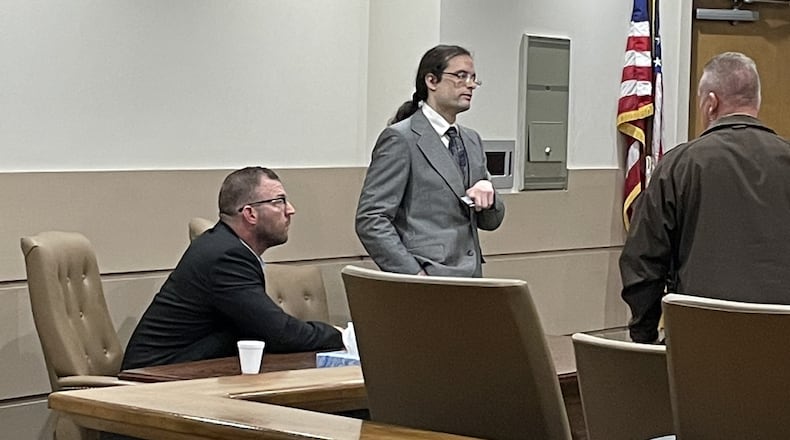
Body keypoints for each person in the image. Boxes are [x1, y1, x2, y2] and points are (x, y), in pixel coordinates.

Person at [620, 52, 790, 343]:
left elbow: (643, 263)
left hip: (700, 342)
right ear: (756, 101)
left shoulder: (678, 166)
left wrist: (645, 337)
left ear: (711, 103)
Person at [122, 167, 343, 369]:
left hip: (190, 372)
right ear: (250, 214)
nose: (290, 210)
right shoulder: (226, 257)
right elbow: (279, 333)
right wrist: (342, 336)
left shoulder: (226, 246)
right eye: (279, 201)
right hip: (156, 380)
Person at [355, 44, 505, 277]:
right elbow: (371, 219)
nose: (470, 85)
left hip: (470, 277)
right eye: (460, 76)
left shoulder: (472, 140)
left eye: (473, 78)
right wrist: (413, 274)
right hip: (427, 275)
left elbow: (491, 221)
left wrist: (490, 194)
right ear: (431, 81)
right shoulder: (400, 138)